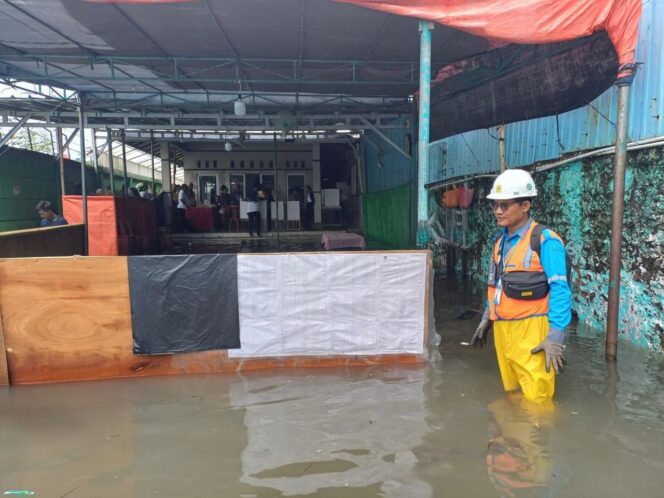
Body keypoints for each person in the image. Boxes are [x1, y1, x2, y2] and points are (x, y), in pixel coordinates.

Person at [470, 169, 571, 403]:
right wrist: (488, 316)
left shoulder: (546, 241)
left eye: (505, 205)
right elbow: (495, 285)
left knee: (538, 400)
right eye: (495, 205)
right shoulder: (499, 242)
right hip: (504, 331)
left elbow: (560, 290)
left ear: (525, 205)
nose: (498, 211)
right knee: (512, 395)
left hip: (533, 330)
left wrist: (555, 337)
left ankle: (537, 439)